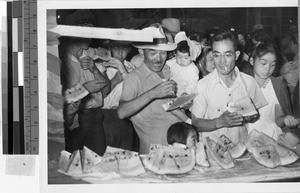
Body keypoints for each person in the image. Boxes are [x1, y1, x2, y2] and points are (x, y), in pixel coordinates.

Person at [190, 30, 268, 144]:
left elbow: (256, 115)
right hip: (213, 150)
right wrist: (219, 122)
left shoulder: (249, 82)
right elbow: (195, 123)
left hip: (241, 146)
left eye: (227, 55)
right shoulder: (202, 86)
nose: (222, 62)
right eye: (217, 55)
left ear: (236, 55)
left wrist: (249, 116)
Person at [117, 26, 182, 154]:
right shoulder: (134, 78)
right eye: (153, 53)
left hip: (179, 146)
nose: (158, 59)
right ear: (142, 52)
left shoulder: (167, 70)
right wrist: (153, 93)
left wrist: (183, 103)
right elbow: (121, 112)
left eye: (163, 53)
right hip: (154, 152)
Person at [60, 10, 110, 156]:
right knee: (72, 168)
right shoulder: (60, 61)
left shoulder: (91, 56)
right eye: (83, 32)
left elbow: (106, 91)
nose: (89, 37)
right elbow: (58, 100)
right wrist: (85, 89)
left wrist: (94, 69)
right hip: (73, 123)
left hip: (95, 119)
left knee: (97, 165)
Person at [241, 43, 300, 140]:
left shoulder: (277, 85)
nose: (268, 68)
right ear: (252, 61)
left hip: (272, 135)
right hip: (247, 134)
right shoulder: (243, 83)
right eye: (263, 63)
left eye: (273, 65)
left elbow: (278, 118)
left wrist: (285, 119)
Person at [101, 40, 138, 151]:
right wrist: (116, 79)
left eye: (124, 49)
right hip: (106, 115)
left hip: (126, 115)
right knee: (107, 151)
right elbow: (100, 95)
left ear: (129, 50)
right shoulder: (103, 66)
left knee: (126, 151)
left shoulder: (131, 67)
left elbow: (135, 92)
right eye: (116, 49)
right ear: (110, 49)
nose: (120, 53)